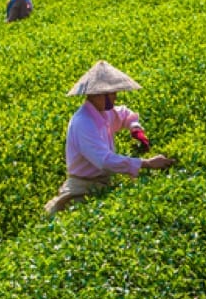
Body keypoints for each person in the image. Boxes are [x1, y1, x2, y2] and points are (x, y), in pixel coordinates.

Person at [44, 61, 175, 215]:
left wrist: (135, 127)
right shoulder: (83, 123)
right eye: (112, 93)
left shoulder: (104, 113)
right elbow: (105, 161)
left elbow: (125, 114)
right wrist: (146, 163)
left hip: (103, 183)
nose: (115, 97)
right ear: (99, 95)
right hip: (83, 187)